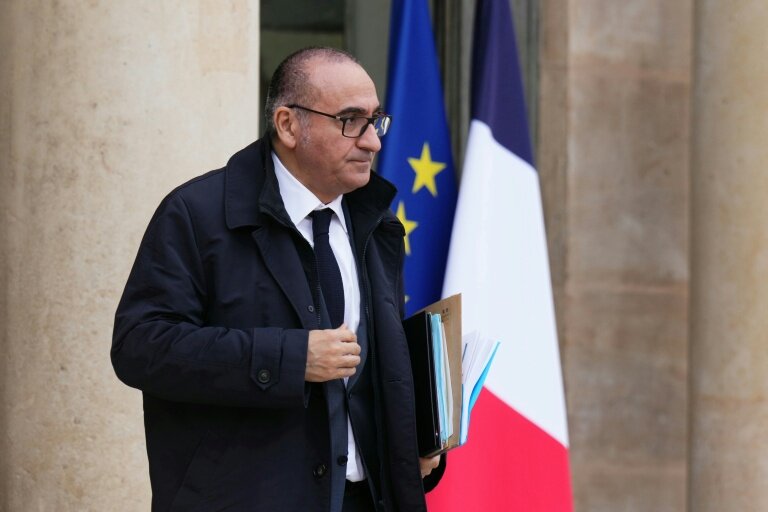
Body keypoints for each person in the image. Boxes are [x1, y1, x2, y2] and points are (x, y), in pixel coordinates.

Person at [112, 46, 444, 512]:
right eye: (351, 120)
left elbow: (371, 374)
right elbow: (140, 347)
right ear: (288, 125)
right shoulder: (196, 214)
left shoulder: (378, 224)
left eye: (375, 120)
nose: (372, 142)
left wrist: (414, 438)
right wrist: (291, 358)